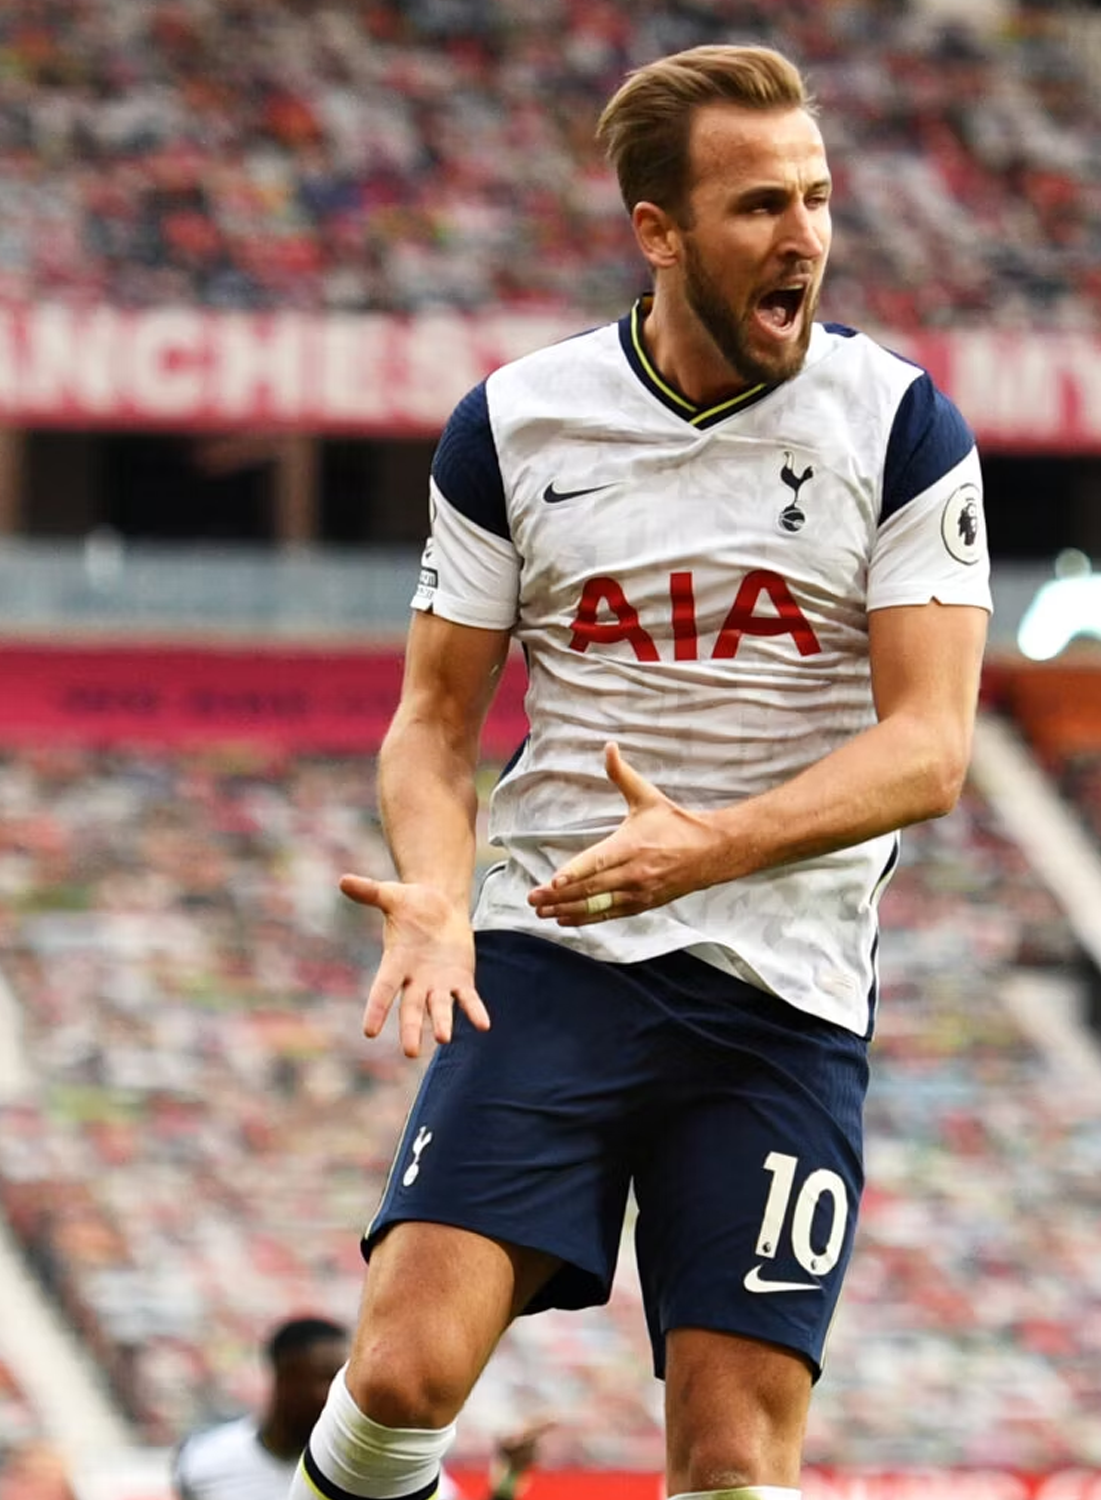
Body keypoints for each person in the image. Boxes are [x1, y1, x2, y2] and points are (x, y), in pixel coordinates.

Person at [323, 42, 989, 1500]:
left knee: (733, 1458)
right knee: (397, 1375)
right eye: (760, 206)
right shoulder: (515, 425)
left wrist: (717, 846)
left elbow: (933, 749)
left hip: (785, 993)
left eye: (817, 199)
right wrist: (438, 895)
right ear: (660, 232)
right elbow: (435, 721)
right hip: (553, 947)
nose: (803, 236)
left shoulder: (902, 426)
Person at [183, 1318, 551, 1500]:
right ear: (283, 1378)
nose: (341, 1393)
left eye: (345, 1377)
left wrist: (507, 1482)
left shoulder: (384, 1465)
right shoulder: (204, 1462)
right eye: (326, 1377)